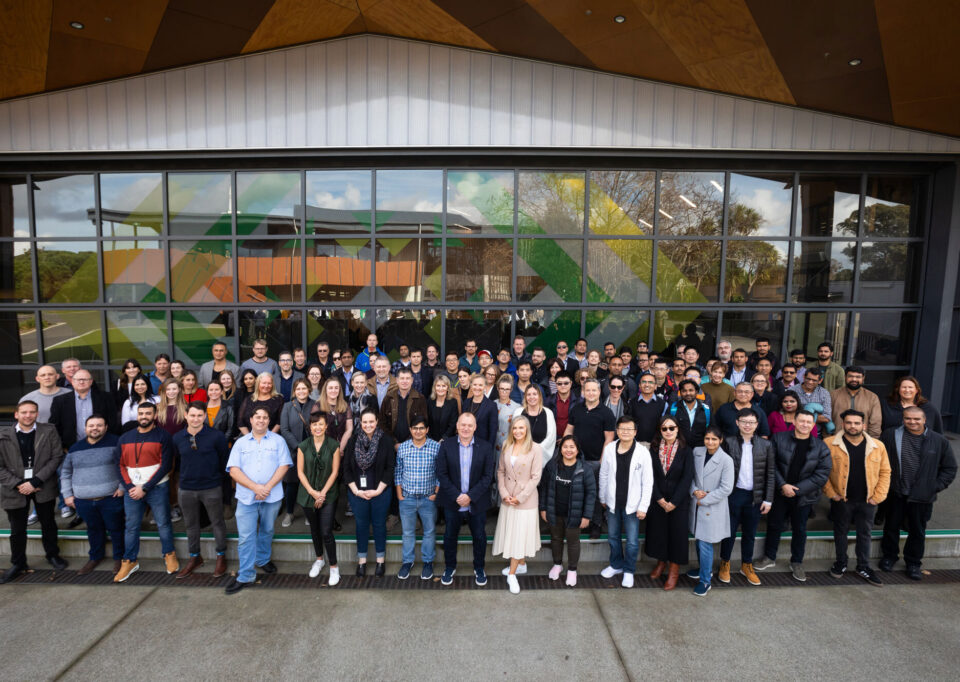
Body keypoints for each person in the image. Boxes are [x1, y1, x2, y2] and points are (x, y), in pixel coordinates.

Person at [879, 406, 957, 580]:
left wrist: (934, 486)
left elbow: (950, 468)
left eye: (916, 419)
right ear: (903, 419)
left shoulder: (938, 440)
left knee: (917, 531)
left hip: (922, 496)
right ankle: (889, 557)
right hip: (896, 492)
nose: (912, 422)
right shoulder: (891, 435)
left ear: (924, 420)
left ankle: (913, 563)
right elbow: (879, 460)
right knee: (891, 527)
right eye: (908, 419)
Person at [755, 411, 831, 582]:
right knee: (774, 525)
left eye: (808, 422)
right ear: (794, 422)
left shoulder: (821, 446)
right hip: (780, 492)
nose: (805, 424)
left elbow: (822, 474)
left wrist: (796, 490)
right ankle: (769, 557)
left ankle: (796, 562)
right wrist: (783, 485)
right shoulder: (779, 438)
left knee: (800, 529)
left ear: (813, 425)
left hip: (804, 495)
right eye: (801, 421)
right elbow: (770, 463)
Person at [224, 406, 292, 594]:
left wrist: (267, 488)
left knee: (267, 529)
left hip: (272, 496)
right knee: (246, 536)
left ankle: (262, 559)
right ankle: (245, 575)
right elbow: (234, 470)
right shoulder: (241, 443)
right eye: (257, 417)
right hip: (247, 497)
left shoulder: (278, 441)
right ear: (251, 420)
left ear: (269, 421)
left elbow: (284, 465)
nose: (261, 420)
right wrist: (256, 488)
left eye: (265, 417)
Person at [0, 401, 67, 583]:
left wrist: (36, 481)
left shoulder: (49, 430)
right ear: (16, 415)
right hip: (15, 488)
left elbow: (56, 457)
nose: (28, 415)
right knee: (17, 529)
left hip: (42, 484)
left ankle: (52, 555)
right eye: (24, 412)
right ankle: (18, 563)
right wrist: (19, 484)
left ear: (37, 414)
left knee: (48, 523)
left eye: (31, 412)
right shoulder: (3, 435)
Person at [824, 410, 891, 586]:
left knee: (865, 534)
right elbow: (822, 473)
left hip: (868, 500)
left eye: (856, 423)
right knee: (840, 532)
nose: (852, 426)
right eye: (848, 422)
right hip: (842, 499)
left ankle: (863, 566)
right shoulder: (829, 444)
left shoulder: (878, 446)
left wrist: (878, 497)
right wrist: (832, 494)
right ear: (843, 424)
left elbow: (885, 472)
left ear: (864, 425)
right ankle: (841, 563)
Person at [115, 402, 178, 582]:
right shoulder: (125, 437)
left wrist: (145, 487)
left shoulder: (163, 436)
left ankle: (169, 554)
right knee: (131, 526)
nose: (144, 416)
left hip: (157, 487)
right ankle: (129, 561)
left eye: (147, 413)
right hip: (132, 489)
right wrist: (129, 488)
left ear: (154, 415)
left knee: (163, 523)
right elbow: (119, 464)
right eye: (141, 413)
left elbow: (166, 465)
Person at [436, 412, 496, 586]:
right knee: (449, 536)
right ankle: (450, 567)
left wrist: (470, 496)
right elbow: (441, 473)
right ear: (457, 426)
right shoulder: (446, 446)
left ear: (475, 427)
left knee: (479, 536)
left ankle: (479, 567)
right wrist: (457, 496)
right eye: (463, 424)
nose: (466, 428)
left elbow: (487, 476)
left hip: (476, 502)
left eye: (470, 425)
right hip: (452, 501)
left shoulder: (485, 447)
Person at [716, 408, 775, 586]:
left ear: (757, 425)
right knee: (729, 532)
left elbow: (770, 473)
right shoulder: (728, 442)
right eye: (744, 422)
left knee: (750, 533)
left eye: (751, 422)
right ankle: (725, 563)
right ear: (737, 423)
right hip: (734, 494)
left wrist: (768, 499)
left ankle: (746, 564)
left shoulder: (766, 445)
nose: (747, 425)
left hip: (755, 497)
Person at [172, 403, 230, 579]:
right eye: (192, 415)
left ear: (204, 416)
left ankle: (221, 556)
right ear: (186, 416)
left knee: (217, 523)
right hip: (187, 489)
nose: (196, 419)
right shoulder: (177, 438)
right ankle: (194, 557)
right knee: (191, 525)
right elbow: (177, 465)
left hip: (211, 487)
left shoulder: (216, 437)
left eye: (199, 415)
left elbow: (224, 464)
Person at [61, 414, 123, 575]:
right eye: (91, 425)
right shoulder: (76, 448)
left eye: (99, 425)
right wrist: (67, 495)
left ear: (106, 427)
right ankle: (95, 557)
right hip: (83, 500)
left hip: (111, 498)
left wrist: (123, 487)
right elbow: (66, 472)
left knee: (116, 529)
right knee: (93, 529)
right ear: (85, 428)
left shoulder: (116, 442)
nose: (95, 428)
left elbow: (126, 464)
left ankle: (119, 558)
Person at [598, 416, 654, 588]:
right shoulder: (609, 449)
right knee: (613, 537)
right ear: (617, 430)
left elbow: (648, 481)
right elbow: (604, 474)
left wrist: (643, 506)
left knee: (631, 541)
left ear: (635, 432)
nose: (625, 432)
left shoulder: (642, 452)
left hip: (633, 505)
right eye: (622, 428)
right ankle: (616, 565)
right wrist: (603, 497)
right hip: (613, 502)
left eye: (629, 429)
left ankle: (629, 570)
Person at [342, 409, 395, 577]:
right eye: (365, 422)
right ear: (360, 422)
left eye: (371, 422)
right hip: (357, 493)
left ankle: (380, 561)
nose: (368, 425)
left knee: (379, 525)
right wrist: (356, 491)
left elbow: (390, 468)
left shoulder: (386, 441)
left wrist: (378, 490)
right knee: (361, 525)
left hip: (380, 492)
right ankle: (362, 561)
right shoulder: (353, 441)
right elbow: (346, 469)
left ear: (377, 421)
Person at [645, 414, 695, 591]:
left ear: (677, 429)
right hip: (658, 499)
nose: (668, 431)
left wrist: (674, 502)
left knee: (677, 535)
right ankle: (661, 562)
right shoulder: (653, 449)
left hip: (678, 501)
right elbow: (649, 476)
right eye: (664, 428)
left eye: (671, 428)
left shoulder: (686, 450)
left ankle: (674, 570)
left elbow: (687, 477)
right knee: (659, 533)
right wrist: (659, 498)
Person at [493, 416, 543, 594]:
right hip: (508, 498)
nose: (518, 431)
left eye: (521, 428)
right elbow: (500, 471)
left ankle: (512, 574)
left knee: (518, 537)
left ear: (527, 429)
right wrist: (504, 494)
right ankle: (521, 564)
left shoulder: (535, 448)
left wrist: (520, 497)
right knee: (513, 534)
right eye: (515, 428)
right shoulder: (507, 445)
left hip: (525, 500)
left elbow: (536, 477)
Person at [540, 435, 596, 587]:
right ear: (560, 449)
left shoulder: (585, 469)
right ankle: (557, 564)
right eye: (565, 447)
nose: (568, 450)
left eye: (572, 447)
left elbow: (591, 494)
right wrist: (543, 508)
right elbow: (544, 488)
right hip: (554, 511)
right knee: (556, 538)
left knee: (573, 541)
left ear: (578, 450)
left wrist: (586, 515)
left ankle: (572, 570)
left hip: (575, 514)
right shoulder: (552, 466)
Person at [685, 426, 734, 597]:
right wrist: (693, 490)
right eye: (707, 438)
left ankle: (705, 581)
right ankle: (702, 569)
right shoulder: (697, 451)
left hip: (712, 507)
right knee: (699, 539)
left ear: (721, 440)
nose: (710, 442)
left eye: (714, 439)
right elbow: (689, 475)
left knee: (705, 543)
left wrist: (704, 499)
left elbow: (726, 488)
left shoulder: (726, 460)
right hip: (696, 502)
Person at [564, 378, 615, 536]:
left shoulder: (606, 412)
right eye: (588, 390)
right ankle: (578, 523)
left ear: (599, 392)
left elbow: (609, 438)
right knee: (577, 492)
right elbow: (568, 431)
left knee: (594, 493)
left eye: (594, 390)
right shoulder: (576, 409)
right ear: (583, 392)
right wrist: (565, 452)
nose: (591, 393)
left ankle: (596, 523)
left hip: (595, 461)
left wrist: (602, 461)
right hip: (576, 460)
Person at [297, 412, 341, 585]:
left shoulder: (333, 445)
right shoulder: (303, 446)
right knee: (314, 530)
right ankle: (319, 559)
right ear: (310, 426)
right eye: (314, 424)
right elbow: (300, 472)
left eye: (320, 424)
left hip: (328, 493)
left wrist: (322, 493)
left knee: (326, 531)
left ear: (326, 426)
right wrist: (313, 492)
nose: (317, 427)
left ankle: (334, 567)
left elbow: (335, 472)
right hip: (308, 494)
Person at [395, 415, 440, 581]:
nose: (418, 431)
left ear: (427, 430)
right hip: (407, 498)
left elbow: (440, 472)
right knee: (407, 533)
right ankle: (407, 562)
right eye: (415, 428)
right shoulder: (403, 448)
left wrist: (435, 492)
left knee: (429, 532)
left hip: (428, 499)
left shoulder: (435, 447)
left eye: (422, 428)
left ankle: (428, 562)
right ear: (410, 430)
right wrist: (399, 494)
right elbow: (398, 472)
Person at [50, 369, 116, 451]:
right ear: (72, 382)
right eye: (78, 380)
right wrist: (63, 446)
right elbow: (54, 426)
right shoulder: (60, 401)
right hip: (70, 448)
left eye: (85, 379)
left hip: (102, 446)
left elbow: (113, 422)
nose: (81, 382)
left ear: (91, 381)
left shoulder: (106, 397)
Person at [279, 378, 315, 527]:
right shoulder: (287, 406)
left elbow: (318, 426)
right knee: (292, 484)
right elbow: (284, 430)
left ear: (309, 390)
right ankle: (290, 513)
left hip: (311, 451)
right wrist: (298, 447)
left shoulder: (315, 405)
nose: (301, 391)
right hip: (293, 451)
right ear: (294, 391)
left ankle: (308, 513)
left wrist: (309, 448)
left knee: (308, 483)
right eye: (298, 389)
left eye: (304, 388)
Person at [379, 367, 428, 450]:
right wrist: (394, 442)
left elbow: (424, 422)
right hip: (391, 445)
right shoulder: (388, 397)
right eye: (402, 378)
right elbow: (382, 423)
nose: (405, 381)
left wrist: (408, 443)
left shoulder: (420, 398)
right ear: (397, 380)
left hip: (413, 445)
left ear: (412, 380)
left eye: (407, 378)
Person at [830, 366, 882, 438]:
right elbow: (827, 419)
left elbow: (875, 423)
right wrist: (828, 439)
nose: (854, 379)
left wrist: (871, 441)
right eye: (850, 376)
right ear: (845, 377)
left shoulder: (872, 397)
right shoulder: (833, 395)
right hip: (836, 440)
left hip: (862, 440)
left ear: (863, 378)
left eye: (858, 377)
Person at [516, 384, 556, 468]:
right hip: (520, 457)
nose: (532, 397)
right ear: (525, 397)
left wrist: (535, 451)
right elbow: (513, 433)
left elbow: (551, 437)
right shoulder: (518, 412)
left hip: (540, 456)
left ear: (540, 396)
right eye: (529, 394)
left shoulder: (548, 413)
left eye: (535, 394)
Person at [313, 377, 354, 452]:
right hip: (324, 448)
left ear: (339, 390)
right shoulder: (317, 406)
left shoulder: (345, 406)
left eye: (336, 388)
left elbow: (349, 429)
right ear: (325, 390)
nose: (333, 390)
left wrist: (340, 448)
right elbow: (315, 429)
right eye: (330, 388)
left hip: (343, 447)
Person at [668, 379, 711, 447]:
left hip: (700, 449)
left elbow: (711, 430)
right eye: (684, 391)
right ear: (680, 393)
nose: (688, 393)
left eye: (691, 390)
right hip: (678, 448)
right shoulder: (673, 408)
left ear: (696, 392)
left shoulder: (706, 410)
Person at [463, 374, 499, 448]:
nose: (477, 388)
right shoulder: (466, 402)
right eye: (475, 385)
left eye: (480, 385)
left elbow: (493, 432)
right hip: (465, 444)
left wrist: (489, 450)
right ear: (471, 386)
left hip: (482, 447)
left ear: (485, 387)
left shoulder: (492, 405)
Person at [795, 367, 833, 434]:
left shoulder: (824, 393)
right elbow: (789, 414)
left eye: (814, 380)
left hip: (816, 433)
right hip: (795, 430)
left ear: (820, 381)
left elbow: (827, 417)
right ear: (804, 377)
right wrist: (816, 415)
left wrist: (807, 417)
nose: (810, 382)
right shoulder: (793, 390)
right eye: (808, 379)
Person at [493, 374, 521, 459]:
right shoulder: (492, 404)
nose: (504, 391)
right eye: (502, 389)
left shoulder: (517, 407)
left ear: (511, 390)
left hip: (508, 443)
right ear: (498, 388)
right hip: (493, 442)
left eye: (507, 389)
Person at [427, 374, 460, 442]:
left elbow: (453, 424)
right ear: (434, 388)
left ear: (448, 388)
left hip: (448, 440)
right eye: (438, 386)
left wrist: (444, 438)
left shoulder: (453, 402)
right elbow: (427, 421)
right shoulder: (430, 401)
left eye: (444, 386)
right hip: (431, 440)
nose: (441, 388)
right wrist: (431, 439)